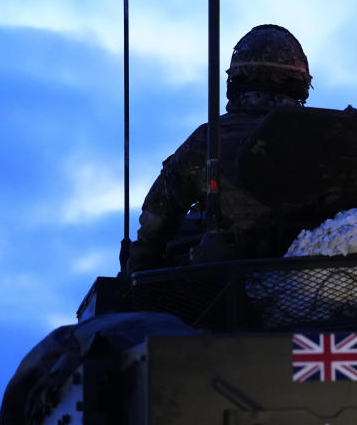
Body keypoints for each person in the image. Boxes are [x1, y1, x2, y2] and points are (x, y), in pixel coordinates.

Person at [128, 24, 313, 271]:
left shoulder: (207, 141)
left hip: (224, 294)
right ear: (299, 81)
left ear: (235, 80)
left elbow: (156, 222)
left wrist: (135, 273)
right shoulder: (326, 135)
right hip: (317, 290)